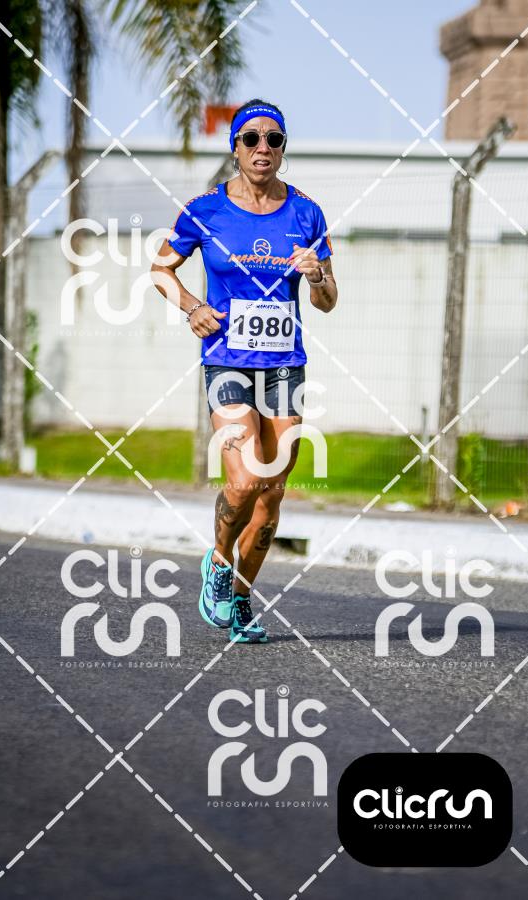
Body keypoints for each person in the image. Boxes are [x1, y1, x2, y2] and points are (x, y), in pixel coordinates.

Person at [151, 98, 338, 644]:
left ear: (282, 149)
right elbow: (160, 270)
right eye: (251, 138)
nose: (262, 148)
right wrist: (191, 306)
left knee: (272, 497)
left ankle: (239, 598)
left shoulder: (306, 213)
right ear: (235, 147)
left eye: (273, 140)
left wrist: (317, 275)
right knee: (245, 479)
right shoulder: (204, 210)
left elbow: (328, 300)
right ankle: (217, 560)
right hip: (227, 359)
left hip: (284, 367)